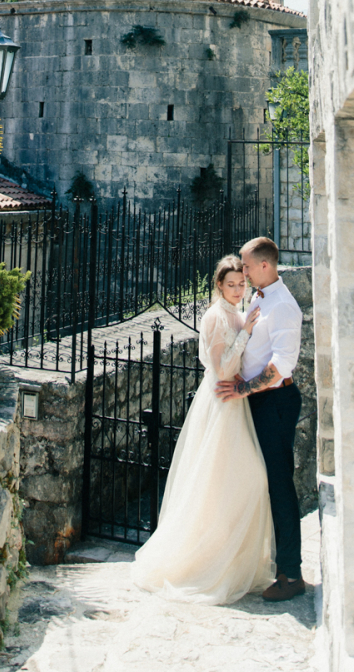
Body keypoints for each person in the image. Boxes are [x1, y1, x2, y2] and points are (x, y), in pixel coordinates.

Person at [131, 255, 276, 604]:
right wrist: (246, 333)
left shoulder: (237, 312)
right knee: (221, 483)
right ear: (218, 286)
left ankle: (231, 559)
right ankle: (206, 563)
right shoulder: (215, 316)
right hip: (221, 403)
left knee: (239, 482)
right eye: (231, 285)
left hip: (235, 404)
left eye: (242, 284)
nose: (239, 290)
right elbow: (222, 368)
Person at [216, 236, 305, 601]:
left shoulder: (284, 306)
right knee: (262, 484)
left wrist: (243, 389)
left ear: (265, 266)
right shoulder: (261, 297)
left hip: (275, 402)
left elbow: (281, 365)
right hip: (259, 400)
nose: (244, 271)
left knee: (280, 485)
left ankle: (291, 574)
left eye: (248, 266)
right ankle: (271, 563)